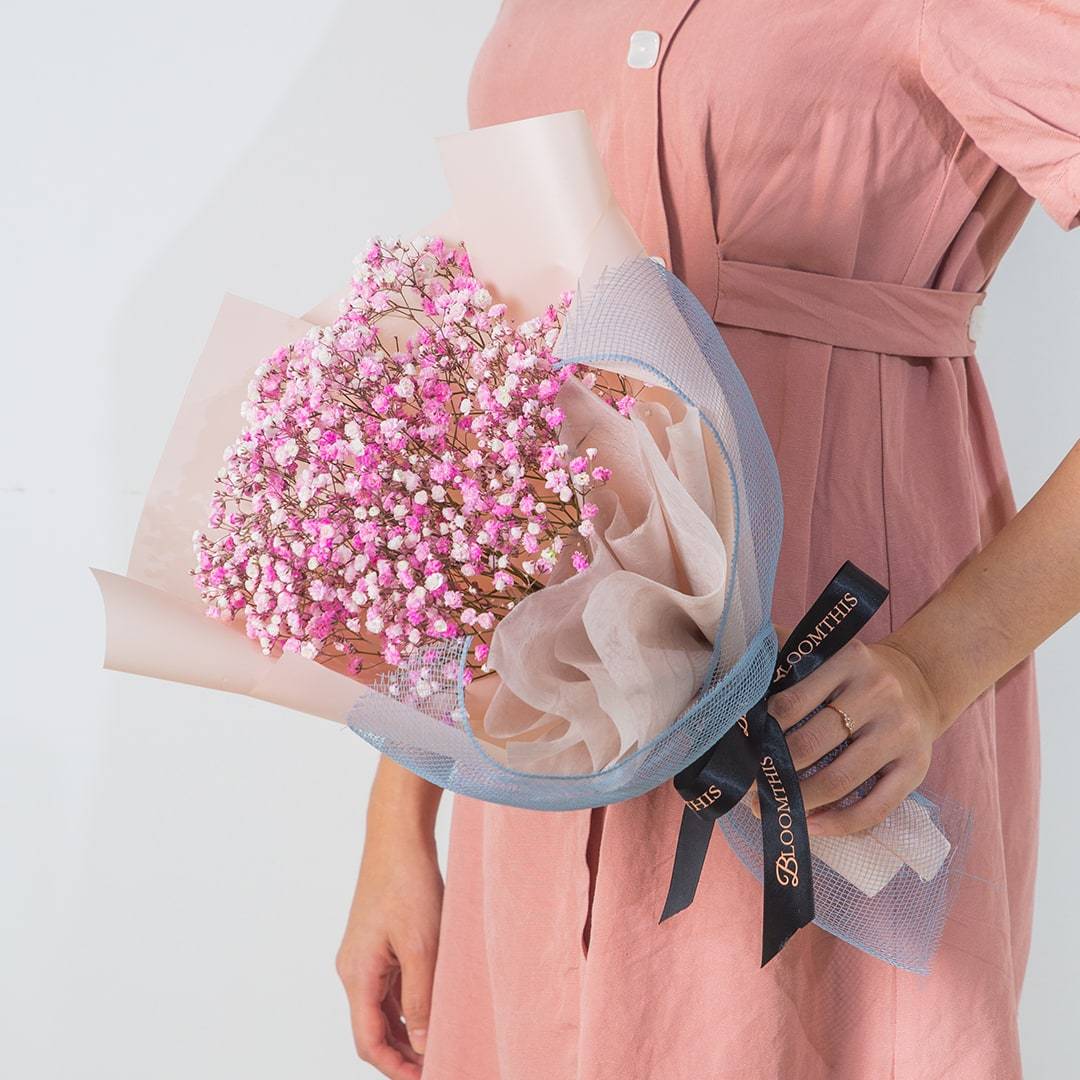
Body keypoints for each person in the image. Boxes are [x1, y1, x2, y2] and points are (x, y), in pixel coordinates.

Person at [335, 2, 1080, 1077]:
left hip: (834, 693)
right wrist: (398, 820)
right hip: (544, 735)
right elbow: (481, 388)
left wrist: (936, 664)